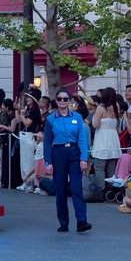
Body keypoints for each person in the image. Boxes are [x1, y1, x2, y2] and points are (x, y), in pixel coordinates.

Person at [44, 89, 91, 234]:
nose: (62, 101)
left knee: (76, 188)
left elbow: (82, 139)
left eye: (65, 99)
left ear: (70, 100)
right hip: (58, 152)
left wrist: (84, 158)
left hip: (74, 151)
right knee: (60, 189)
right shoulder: (51, 119)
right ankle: (63, 222)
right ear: (56, 100)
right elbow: (47, 142)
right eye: (59, 98)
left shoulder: (77, 117)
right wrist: (48, 162)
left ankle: (81, 221)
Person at [90, 89, 121, 188]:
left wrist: (94, 117)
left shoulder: (101, 108)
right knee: (111, 167)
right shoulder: (116, 106)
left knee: (99, 167)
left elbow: (96, 124)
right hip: (113, 138)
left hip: (102, 137)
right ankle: (110, 189)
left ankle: (100, 188)